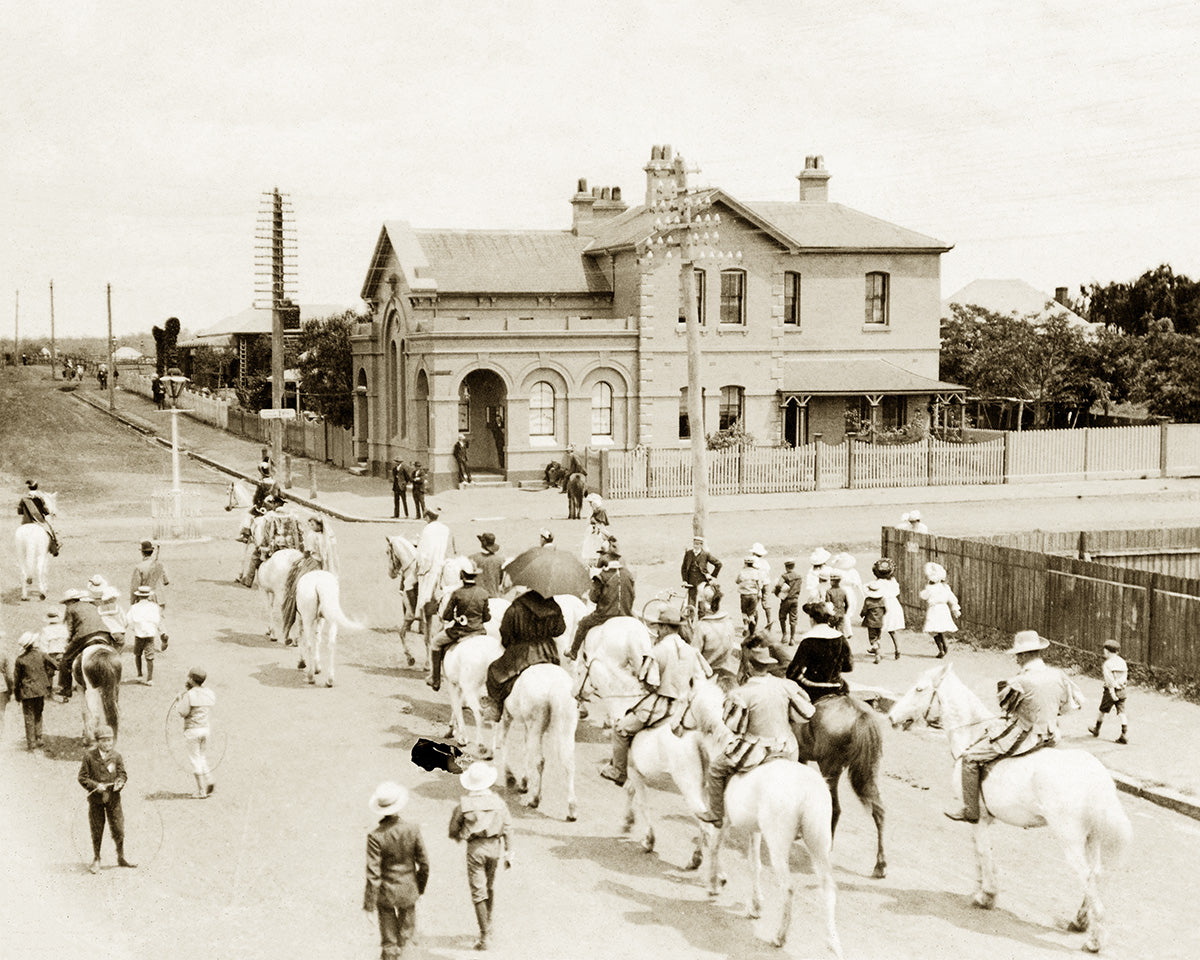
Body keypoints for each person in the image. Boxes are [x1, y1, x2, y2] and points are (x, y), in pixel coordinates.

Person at [945, 630, 1083, 823]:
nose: (1017, 660)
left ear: (1026, 655)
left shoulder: (1019, 681)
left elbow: (1006, 708)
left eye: (1018, 655)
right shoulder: (1058, 675)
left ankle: (971, 810)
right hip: (1052, 734)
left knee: (969, 758)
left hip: (1026, 735)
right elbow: (1070, 705)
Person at [698, 637, 815, 826]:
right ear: (767, 667)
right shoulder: (785, 685)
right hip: (788, 747)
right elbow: (807, 713)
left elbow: (734, 726)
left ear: (750, 668)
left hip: (757, 750)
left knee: (715, 770)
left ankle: (716, 813)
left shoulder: (742, 693)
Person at [599, 601, 711, 786]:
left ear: (666, 628)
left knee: (620, 729)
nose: (658, 630)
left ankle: (618, 770)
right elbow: (701, 682)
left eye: (660, 627)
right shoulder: (692, 651)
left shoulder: (658, 651)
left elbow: (648, 682)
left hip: (661, 705)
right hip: (684, 705)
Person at [448, 762, 512, 951]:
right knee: (489, 886)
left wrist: (461, 833)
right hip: (495, 848)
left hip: (475, 849)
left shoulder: (464, 804)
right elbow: (508, 828)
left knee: (478, 891)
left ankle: (484, 936)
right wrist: (509, 852)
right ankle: (489, 924)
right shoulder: (499, 803)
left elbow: (453, 830)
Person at [363, 782, 429, 960]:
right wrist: (419, 889)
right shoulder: (413, 830)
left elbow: (373, 874)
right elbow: (424, 864)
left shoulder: (376, 836)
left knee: (389, 942)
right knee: (406, 938)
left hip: (386, 893)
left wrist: (369, 904)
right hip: (408, 889)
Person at [482, 589, 565, 721]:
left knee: (494, 671)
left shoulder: (518, 605)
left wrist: (509, 644)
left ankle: (496, 708)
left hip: (522, 653)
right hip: (548, 652)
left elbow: (505, 631)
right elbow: (560, 630)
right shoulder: (554, 606)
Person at [78, 725, 136, 872]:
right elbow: (82, 777)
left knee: (118, 828)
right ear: (97, 742)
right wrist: (95, 785)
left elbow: (122, 774)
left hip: (113, 799)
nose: (107, 744)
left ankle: (121, 856)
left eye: (110, 740)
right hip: (96, 801)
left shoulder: (116, 756)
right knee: (97, 829)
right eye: (104, 741)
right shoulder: (89, 756)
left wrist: (120, 782)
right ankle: (96, 858)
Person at [428, 561, 491, 691]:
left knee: (435, 642)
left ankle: (435, 679)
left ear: (462, 575)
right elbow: (487, 617)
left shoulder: (457, 593)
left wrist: (456, 617)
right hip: (479, 631)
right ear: (475, 576)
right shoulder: (484, 593)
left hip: (461, 632)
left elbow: (446, 616)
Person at [567, 545, 635, 660]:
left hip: (605, 615)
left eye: (601, 554)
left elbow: (593, 598)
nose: (599, 557)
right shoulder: (628, 574)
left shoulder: (602, 576)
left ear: (607, 556)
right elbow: (633, 595)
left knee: (583, 623)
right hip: (626, 613)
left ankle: (573, 651)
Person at [281, 517, 340, 643]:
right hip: (324, 565)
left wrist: (300, 559)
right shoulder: (328, 537)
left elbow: (307, 552)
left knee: (293, 583)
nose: (311, 526)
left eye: (312, 524)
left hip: (312, 563)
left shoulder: (312, 535)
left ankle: (291, 609)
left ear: (319, 525)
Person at [786, 600, 853, 702]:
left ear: (812, 619)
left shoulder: (808, 640)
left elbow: (793, 671)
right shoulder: (840, 638)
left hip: (813, 688)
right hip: (836, 686)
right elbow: (848, 667)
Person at [57, 586, 116, 701]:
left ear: (70, 601)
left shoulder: (71, 609)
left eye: (66, 603)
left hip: (85, 635)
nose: (66, 605)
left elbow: (69, 629)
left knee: (66, 660)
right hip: (105, 633)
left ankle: (66, 689)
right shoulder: (91, 606)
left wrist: (67, 643)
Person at [176, 666, 217, 798]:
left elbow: (183, 712)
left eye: (189, 677)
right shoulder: (209, 692)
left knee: (194, 760)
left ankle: (201, 791)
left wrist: (179, 701)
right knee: (202, 757)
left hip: (192, 731)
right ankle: (210, 780)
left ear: (192, 680)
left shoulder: (189, 695)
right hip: (205, 729)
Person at [689, 589, 740, 692]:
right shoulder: (728, 621)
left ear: (705, 605)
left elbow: (693, 655)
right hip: (726, 667)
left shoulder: (702, 627)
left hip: (707, 674)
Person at [415, 504, 454, 635]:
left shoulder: (427, 529)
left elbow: (423, 552)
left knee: (411, 584)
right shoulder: (446, 529)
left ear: (427, 516)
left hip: (431, 567)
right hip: (445, 564)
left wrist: (419, 565)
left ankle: (417, 614)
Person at [14, 632, 56, 750]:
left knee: (28, 716)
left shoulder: (20, 659)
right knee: (39, 713)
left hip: (27, 692)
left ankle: (31, 743)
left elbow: (17, 680)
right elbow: (55, 665)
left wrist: (17, 695)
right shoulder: (42, 655)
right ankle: (39, 738)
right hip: (41, 690)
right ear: (33, 643)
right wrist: (47, 674)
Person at [1090, 640, 1129, 744]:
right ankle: (1124, 734)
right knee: (1122, 713)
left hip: (1111, 691)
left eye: (1105, 651)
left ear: (1107, 652)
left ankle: (1096, 729)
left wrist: (1112, 692)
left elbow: (1109, 680)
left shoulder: (1107, 664)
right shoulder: (1122, 662)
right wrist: (1120, 684)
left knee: (1102, 710)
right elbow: (1125, 676)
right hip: (1122, 690)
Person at [920, 561, 960, 658]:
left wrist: (926, 588)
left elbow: (924, 596)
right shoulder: (945, 587)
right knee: (939, 629)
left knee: (934, 630)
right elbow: (952, 598)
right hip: (943, 609)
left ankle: (941, 649)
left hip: (934, 609)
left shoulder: (930, 588)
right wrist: (955, 608)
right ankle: (944, 646)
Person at [126, 586, 162, 684]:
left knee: (138, 654)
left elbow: (129, 620)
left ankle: (139, 674)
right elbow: (157, 620)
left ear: (139, 596)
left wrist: (134, 628)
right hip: (150, 634)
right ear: (148, 596)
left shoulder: (134, 607)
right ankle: (149, 678)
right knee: (149, 657)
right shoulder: (154, 607)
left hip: (139, 634)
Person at [871, 558, 904, 659]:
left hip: (882, 605)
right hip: (893, 604)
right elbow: (897, 592)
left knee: (878, 628)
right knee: (892, 629)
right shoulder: (893, 581)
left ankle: (877, 647)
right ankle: (898, 649)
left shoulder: (878, 583)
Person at [17, 480, 60, 556]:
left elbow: (19, 511)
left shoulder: (23, 499)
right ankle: (54, 548)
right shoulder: (40, 498)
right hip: (39, 522)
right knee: (50, 529)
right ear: (36, 487)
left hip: (26, 522)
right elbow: (46, 511)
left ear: (29, 488)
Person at [680, 535, 722, 609]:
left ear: (701, 544)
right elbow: (684, 568)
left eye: (697, 544)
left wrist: (713, 576)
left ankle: (702, 614)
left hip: (702, 580)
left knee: (702, 598)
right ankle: (691, 616)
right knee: (691, 600)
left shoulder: (705, 554)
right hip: (691, 581)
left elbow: (718, 564)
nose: (695, 546)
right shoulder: (688, 553)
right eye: (694, 544)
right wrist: (684, 580)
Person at [773, 559, 804, 646]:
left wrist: (777, 592)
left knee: (782, 617)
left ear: (786, 567)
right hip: (795, 599)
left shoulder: (785, 576)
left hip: (786, 599)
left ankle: (784, 635)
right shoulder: (799, 576)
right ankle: (792, 638)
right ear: (794, 566)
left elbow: (779, 585)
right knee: (793, 619)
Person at [735, 555, 768, 634]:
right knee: (752, 613)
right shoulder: (756, 572)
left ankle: (745, 627)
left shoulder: (742, 572)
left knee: (744, 612)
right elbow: (760, 584)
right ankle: (752, 627)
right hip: (754, 595)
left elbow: (737, 581)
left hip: (744, 595)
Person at [860, 582, 888, 665]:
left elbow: (864, 611)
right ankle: (876, 649)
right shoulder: (882, 599)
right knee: (878, 636)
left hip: (871, 622)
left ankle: (877, 654)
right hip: (880, 622)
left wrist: (862, 614)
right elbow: (885, 610)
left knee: (872, 638)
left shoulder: (868, 600)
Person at [471, 532, 505, 599]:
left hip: (477, 597)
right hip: (494, 595)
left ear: (482, 543)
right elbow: (500, 581)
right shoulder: (500, 560)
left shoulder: (472, 559)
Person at [826, 570, 850, 637]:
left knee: (830, 631)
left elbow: (828, 604)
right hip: (841, 613)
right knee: (840, 631)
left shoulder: (829, 591)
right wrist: (844, 611)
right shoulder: (843, 591)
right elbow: (847, 604)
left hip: (832, 613)